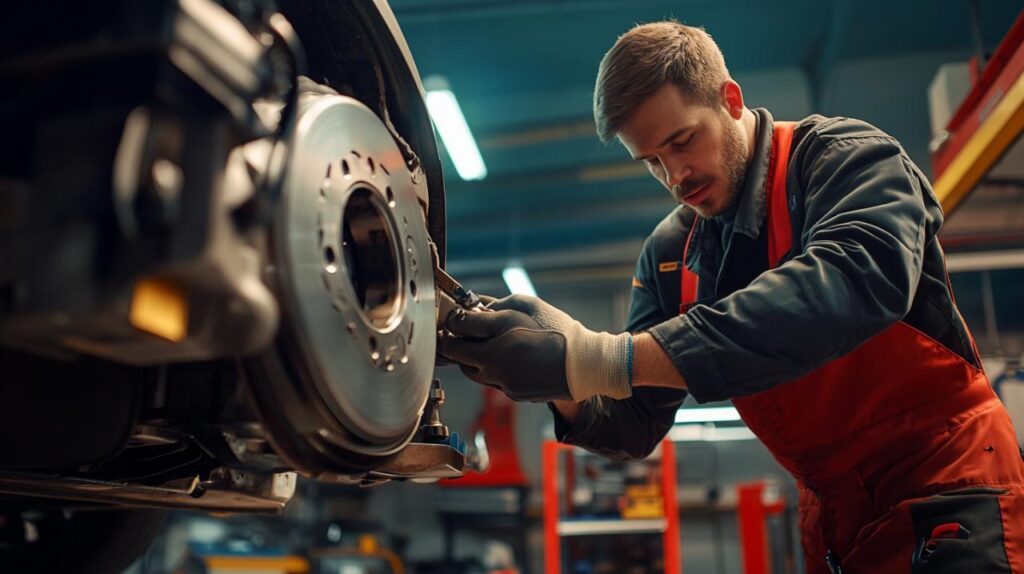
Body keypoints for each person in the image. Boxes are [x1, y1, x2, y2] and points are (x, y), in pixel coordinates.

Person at [438, 20, 1024, 573]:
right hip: (833, 519)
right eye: (652, 162)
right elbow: (633, 422)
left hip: (951, 484)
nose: (675, 177)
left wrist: (593, 359)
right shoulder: (671, 255)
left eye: (682, 141)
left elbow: (853, 282)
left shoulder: (845, 160)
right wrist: (550, 373)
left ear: (732, 99)